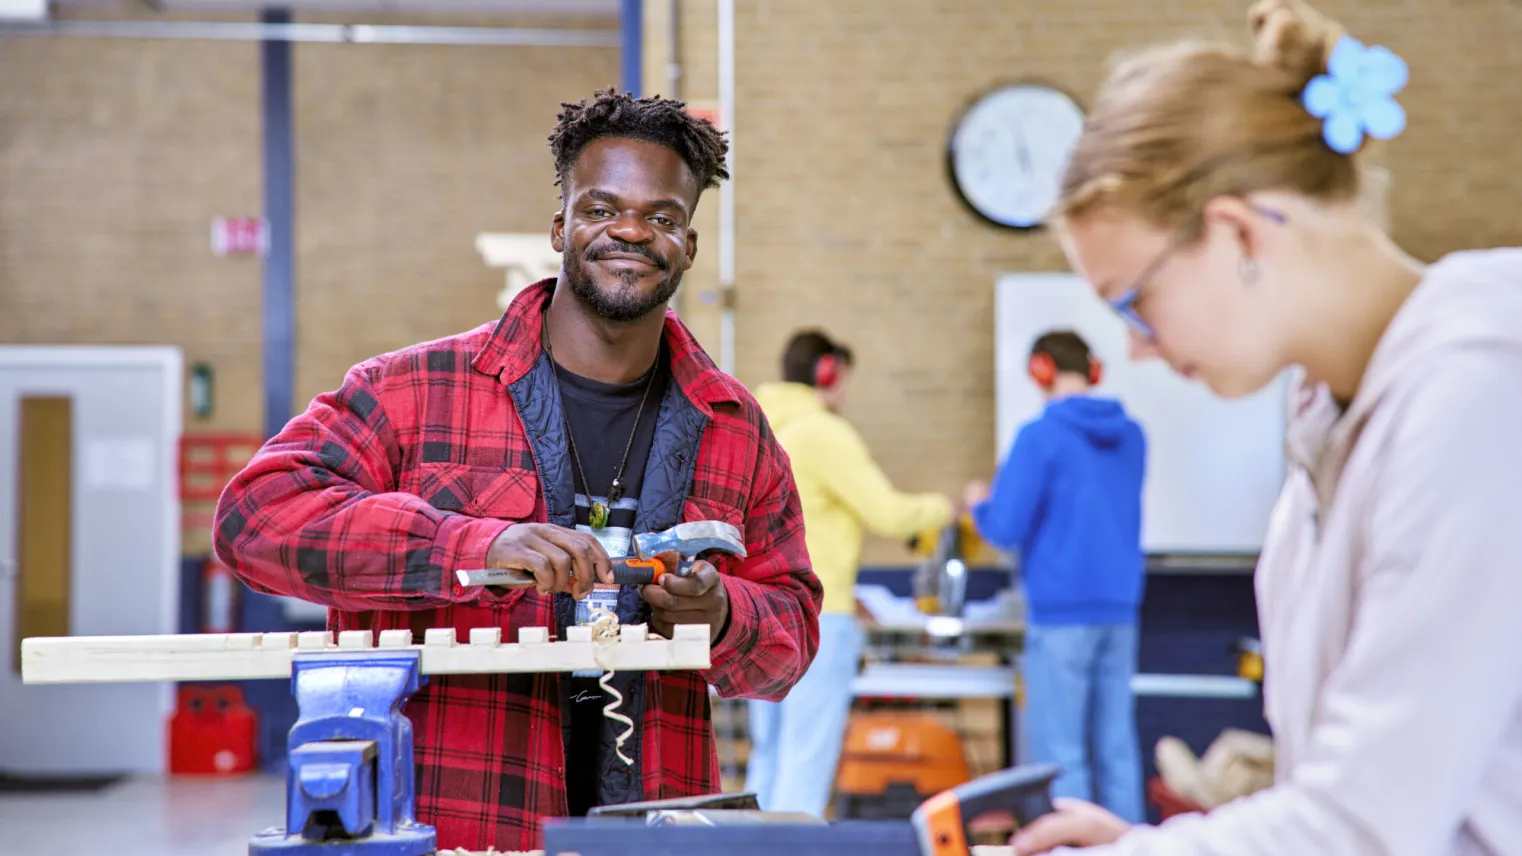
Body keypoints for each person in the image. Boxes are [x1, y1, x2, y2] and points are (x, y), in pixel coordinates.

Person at [212, 89, 823, 852]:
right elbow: (254, 519)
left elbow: (791, 638)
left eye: (662, 217)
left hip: (655, 828)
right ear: (560, 227)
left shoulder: (734, 427)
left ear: (689, 246)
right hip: (451, 829)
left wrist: (724, 615)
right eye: (602, 208)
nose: (631, 231)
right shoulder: (412, 391)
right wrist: (470, 547)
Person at [1006, 1, 1522, 854]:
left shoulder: (1479, 390)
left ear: (1236, 232)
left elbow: (1368, 825)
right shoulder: (1327, 421)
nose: (1135, 349)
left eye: (1134, 304)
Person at [745, 329, 956, 816]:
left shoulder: (757, 427)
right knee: (807, 761)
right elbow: (887, 513)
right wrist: (942, 508)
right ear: (828, 373)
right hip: (819, 615)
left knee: (770, 758)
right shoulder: (823, 432)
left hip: (762, 615)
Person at [963, 330, 1147, 824]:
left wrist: (979, 501)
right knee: (1117, 749)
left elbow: (1005, 528)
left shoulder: (1039, 436)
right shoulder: (1132, 436)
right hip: (1121, 609)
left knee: (1062, 756)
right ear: (1092, 370)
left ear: (1041, 370)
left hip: (1061, 614)